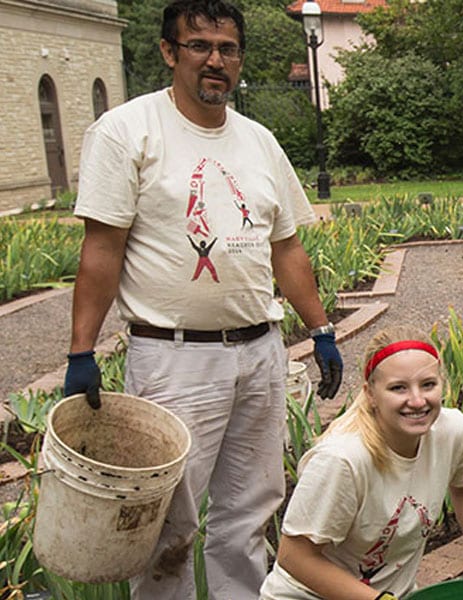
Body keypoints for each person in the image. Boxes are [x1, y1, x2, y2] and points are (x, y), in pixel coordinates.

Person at [64, 1, 343, 597]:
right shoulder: (128, 131)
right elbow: (102, 248)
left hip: (259, 351)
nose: (216, 60)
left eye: (228, 48)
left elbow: (286, 248)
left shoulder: (259, 141)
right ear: (169, 52)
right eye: (200, 46)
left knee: (249, 512)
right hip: (174, 358)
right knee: (166, 520)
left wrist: (320, 330)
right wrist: (79, 351)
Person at [260, 328, 463, 600]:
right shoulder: (343, 460)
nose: (417, 400)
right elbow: (294, 557)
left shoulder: (452, 431)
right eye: (398, 387)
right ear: (370, 394)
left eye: (428, 384)